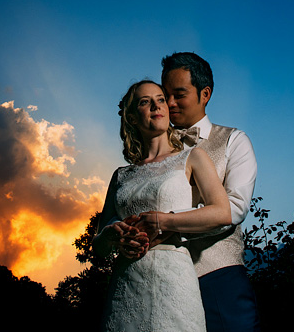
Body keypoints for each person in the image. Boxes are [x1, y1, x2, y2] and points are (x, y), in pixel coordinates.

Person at [94, 79, 231, 332]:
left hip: (173, 279)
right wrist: (113, 235)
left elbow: (223, 213)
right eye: (145, 102)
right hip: (126, 284)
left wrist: (163, 220)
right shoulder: (121, 175)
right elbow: (98, 247)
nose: (156, 106)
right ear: (132, 117)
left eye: (160, 100)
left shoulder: (193, 157)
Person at [161, 52, 260, 332]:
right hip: (163, 281)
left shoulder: (234, 141)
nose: (170, 103)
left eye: (179, 94)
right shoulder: (154, 149)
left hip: (218, 278)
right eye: (165, 95)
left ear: (205, 94)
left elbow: (234, 208)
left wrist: (166, 223)